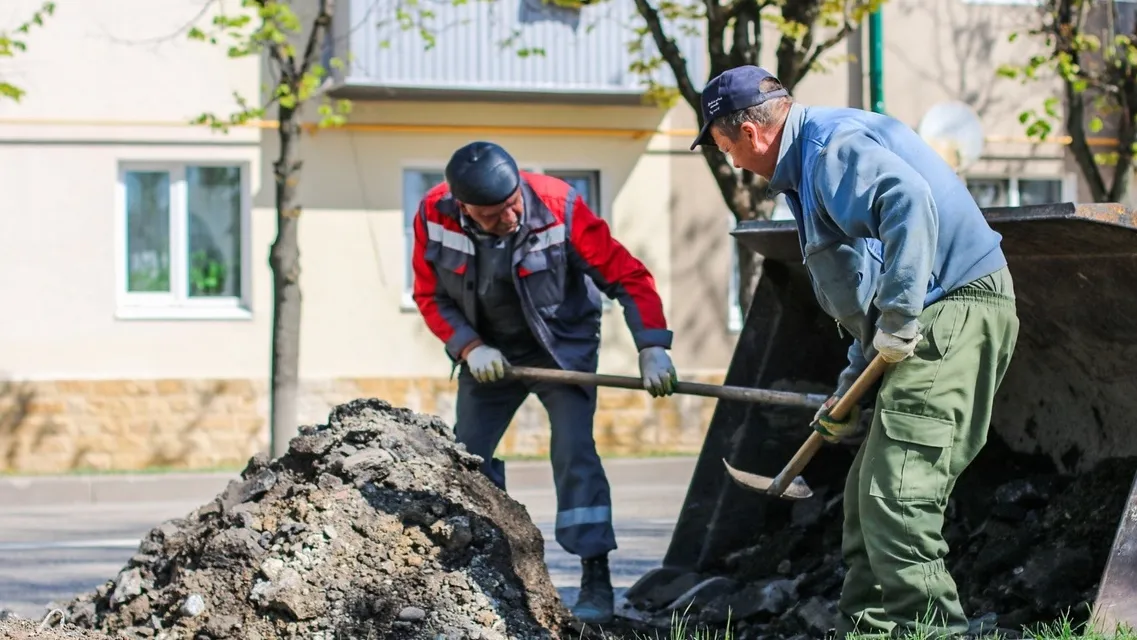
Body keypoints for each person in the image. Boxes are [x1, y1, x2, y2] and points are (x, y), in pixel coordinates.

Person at [689, 66, 1021, 639]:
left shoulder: (829, 149)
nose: (734, 163)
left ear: (750, 132)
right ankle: (869, 630)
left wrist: (901, 317)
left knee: (898, 493)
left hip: (955, 306)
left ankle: (934, 632)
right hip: (930, 313)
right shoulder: (808, 171)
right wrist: (846, 392)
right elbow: (868, 292)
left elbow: (908, 203)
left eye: (725, 148)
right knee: (864, 499)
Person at [410, 140, 679, 624]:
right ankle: (486, 563)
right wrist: (470, 347)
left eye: (513, 203)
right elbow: (430, 295)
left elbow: (627, 277)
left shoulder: (559, 205)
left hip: (561, 348)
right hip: (490, 354)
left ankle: (595, 573)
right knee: (468, 456)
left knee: (574, 450)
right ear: (463, 207)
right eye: (493, 214)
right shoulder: (433, 215)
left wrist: (652, 344)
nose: (510, 217)